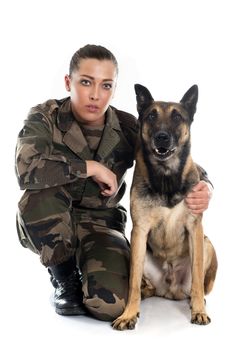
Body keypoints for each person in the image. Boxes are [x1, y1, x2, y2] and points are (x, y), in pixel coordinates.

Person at [15, 44, 212, 321]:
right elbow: (25, 169)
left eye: (106, 85)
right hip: (50, 219)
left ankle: (90, 272)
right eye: (86, 82)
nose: (96, 94)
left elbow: (171, 156)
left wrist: (206, 185)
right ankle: (65, 278)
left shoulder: (128, 126)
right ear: (68, 82)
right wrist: (90, 167)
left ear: (113, 89)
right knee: (40, 199)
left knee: (109, 306)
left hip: (101, 223)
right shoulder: (44, 118)